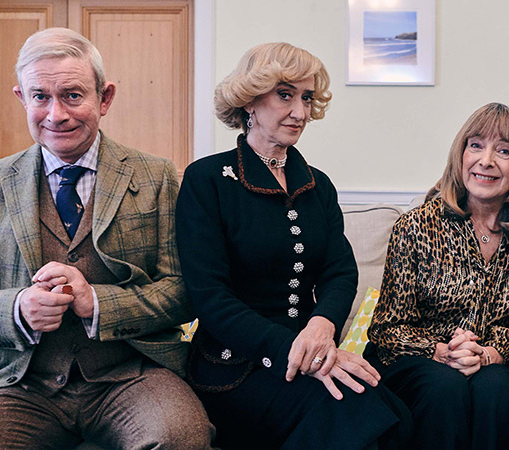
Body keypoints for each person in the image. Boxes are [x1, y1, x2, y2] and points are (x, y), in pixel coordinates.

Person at [0, 28, 212, 449]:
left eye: (73, 95)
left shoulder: (156, 176)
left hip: (133, 372)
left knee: (181, 440)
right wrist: (18, 309)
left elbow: (184, 293)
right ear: (22, 99)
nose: (56, 114)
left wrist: (98, 302)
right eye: (40, 96)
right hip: (21, 383)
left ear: (105, 97)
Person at [175, 42, 410, 449]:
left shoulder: (317, 184)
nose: (300, 112)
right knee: (351, 412)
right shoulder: (207, 180)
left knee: (398, 417)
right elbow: (209, 298)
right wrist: (298, 351)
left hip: (312, 352)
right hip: (235, 364)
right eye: (285, 95)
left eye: (306, 97)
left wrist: (323, 327)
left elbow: (340, 271)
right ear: (250, 100)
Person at [367, 103, 509, 450]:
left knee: (495, 390)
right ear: (461, 153)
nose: (486, 160)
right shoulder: (416, 226)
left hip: (496, 360)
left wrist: (488, 354)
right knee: (444, 386)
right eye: (475, 145)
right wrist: (442, 352)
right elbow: (387, 328)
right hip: (419, 361)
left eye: (504, 151)